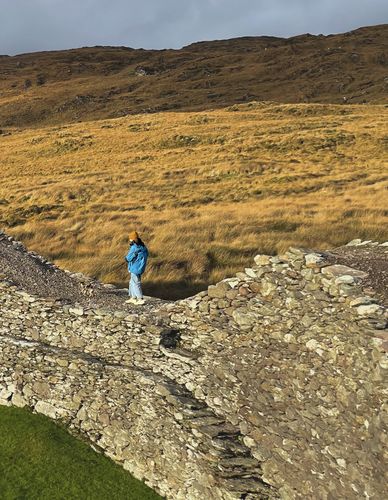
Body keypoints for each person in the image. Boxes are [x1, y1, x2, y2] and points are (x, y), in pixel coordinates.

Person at [125, 231, 148, 305]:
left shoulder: (134, 247)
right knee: (132, 282)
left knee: (135, 282)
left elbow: (128, 258)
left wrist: (126, 258)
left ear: (132, 239)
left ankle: (140, 298)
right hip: (140, 267)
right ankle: (133, 297)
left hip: (134, 267)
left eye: (130, 239)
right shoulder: (143, 246)